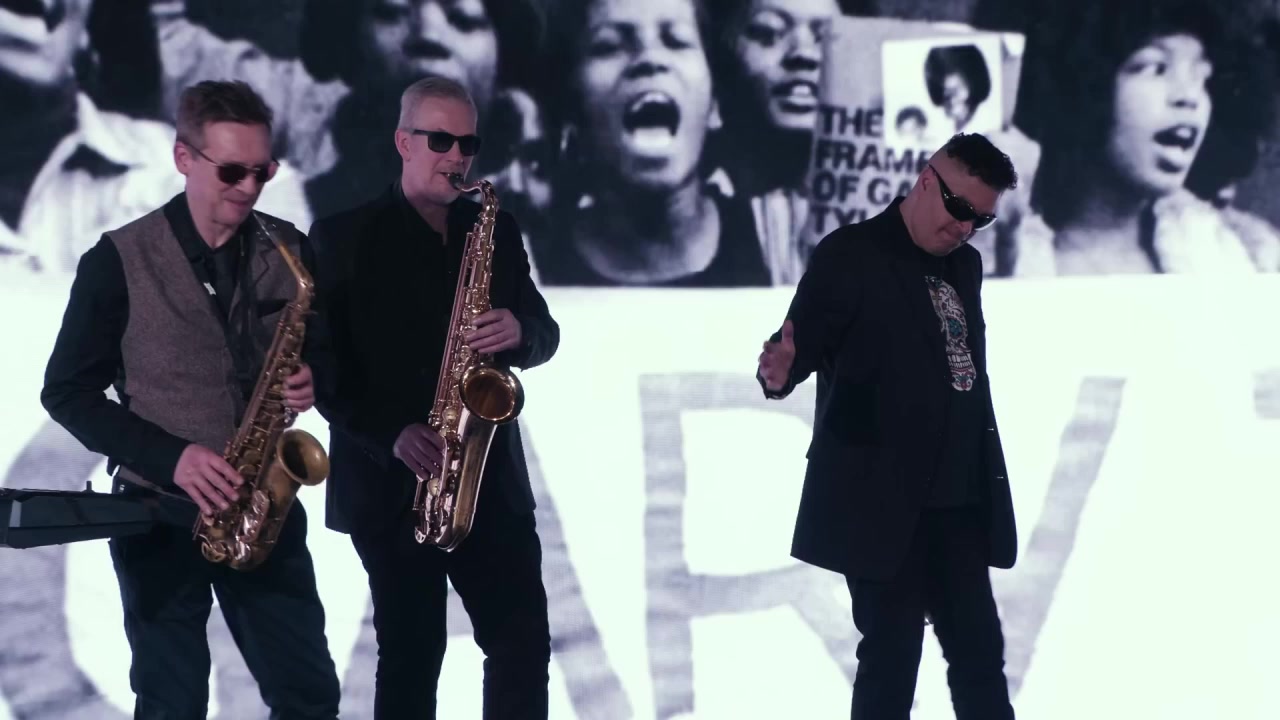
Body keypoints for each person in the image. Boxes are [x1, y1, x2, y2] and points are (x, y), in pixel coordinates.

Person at [38, 80, 341, 720]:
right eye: (231, 171)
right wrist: (173, 456)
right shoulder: (116, 259)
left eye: (262, 172)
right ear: (183, 158)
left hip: (264, 507)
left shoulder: (289, 249)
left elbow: (330, 349)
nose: (249, 188)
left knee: (310, 697)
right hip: (157, 515)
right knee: (171, 705)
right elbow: (66, 391)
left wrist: (319, 375)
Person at [307, 75, 559, 719]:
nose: (457, 157)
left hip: (487, 481)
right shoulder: (340, 237)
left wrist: (522, 332)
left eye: (468, 143)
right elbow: (322, 368)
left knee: (522, 646)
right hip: (389, 487)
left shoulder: (496, 228)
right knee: (412, 656)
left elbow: (545, 331)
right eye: (440, 140)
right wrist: (390, 432)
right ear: (403, 142)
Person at [757, 132, 1020, 719]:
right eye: (959, 208)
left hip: (959, 502)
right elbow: (798, 346)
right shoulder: (851, 254)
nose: (964, 228)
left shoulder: (966, 265)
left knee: (980, 654)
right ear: (926, 181)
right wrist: (779, 371)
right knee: (892, 657)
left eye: (980, 219)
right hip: (881, 501)